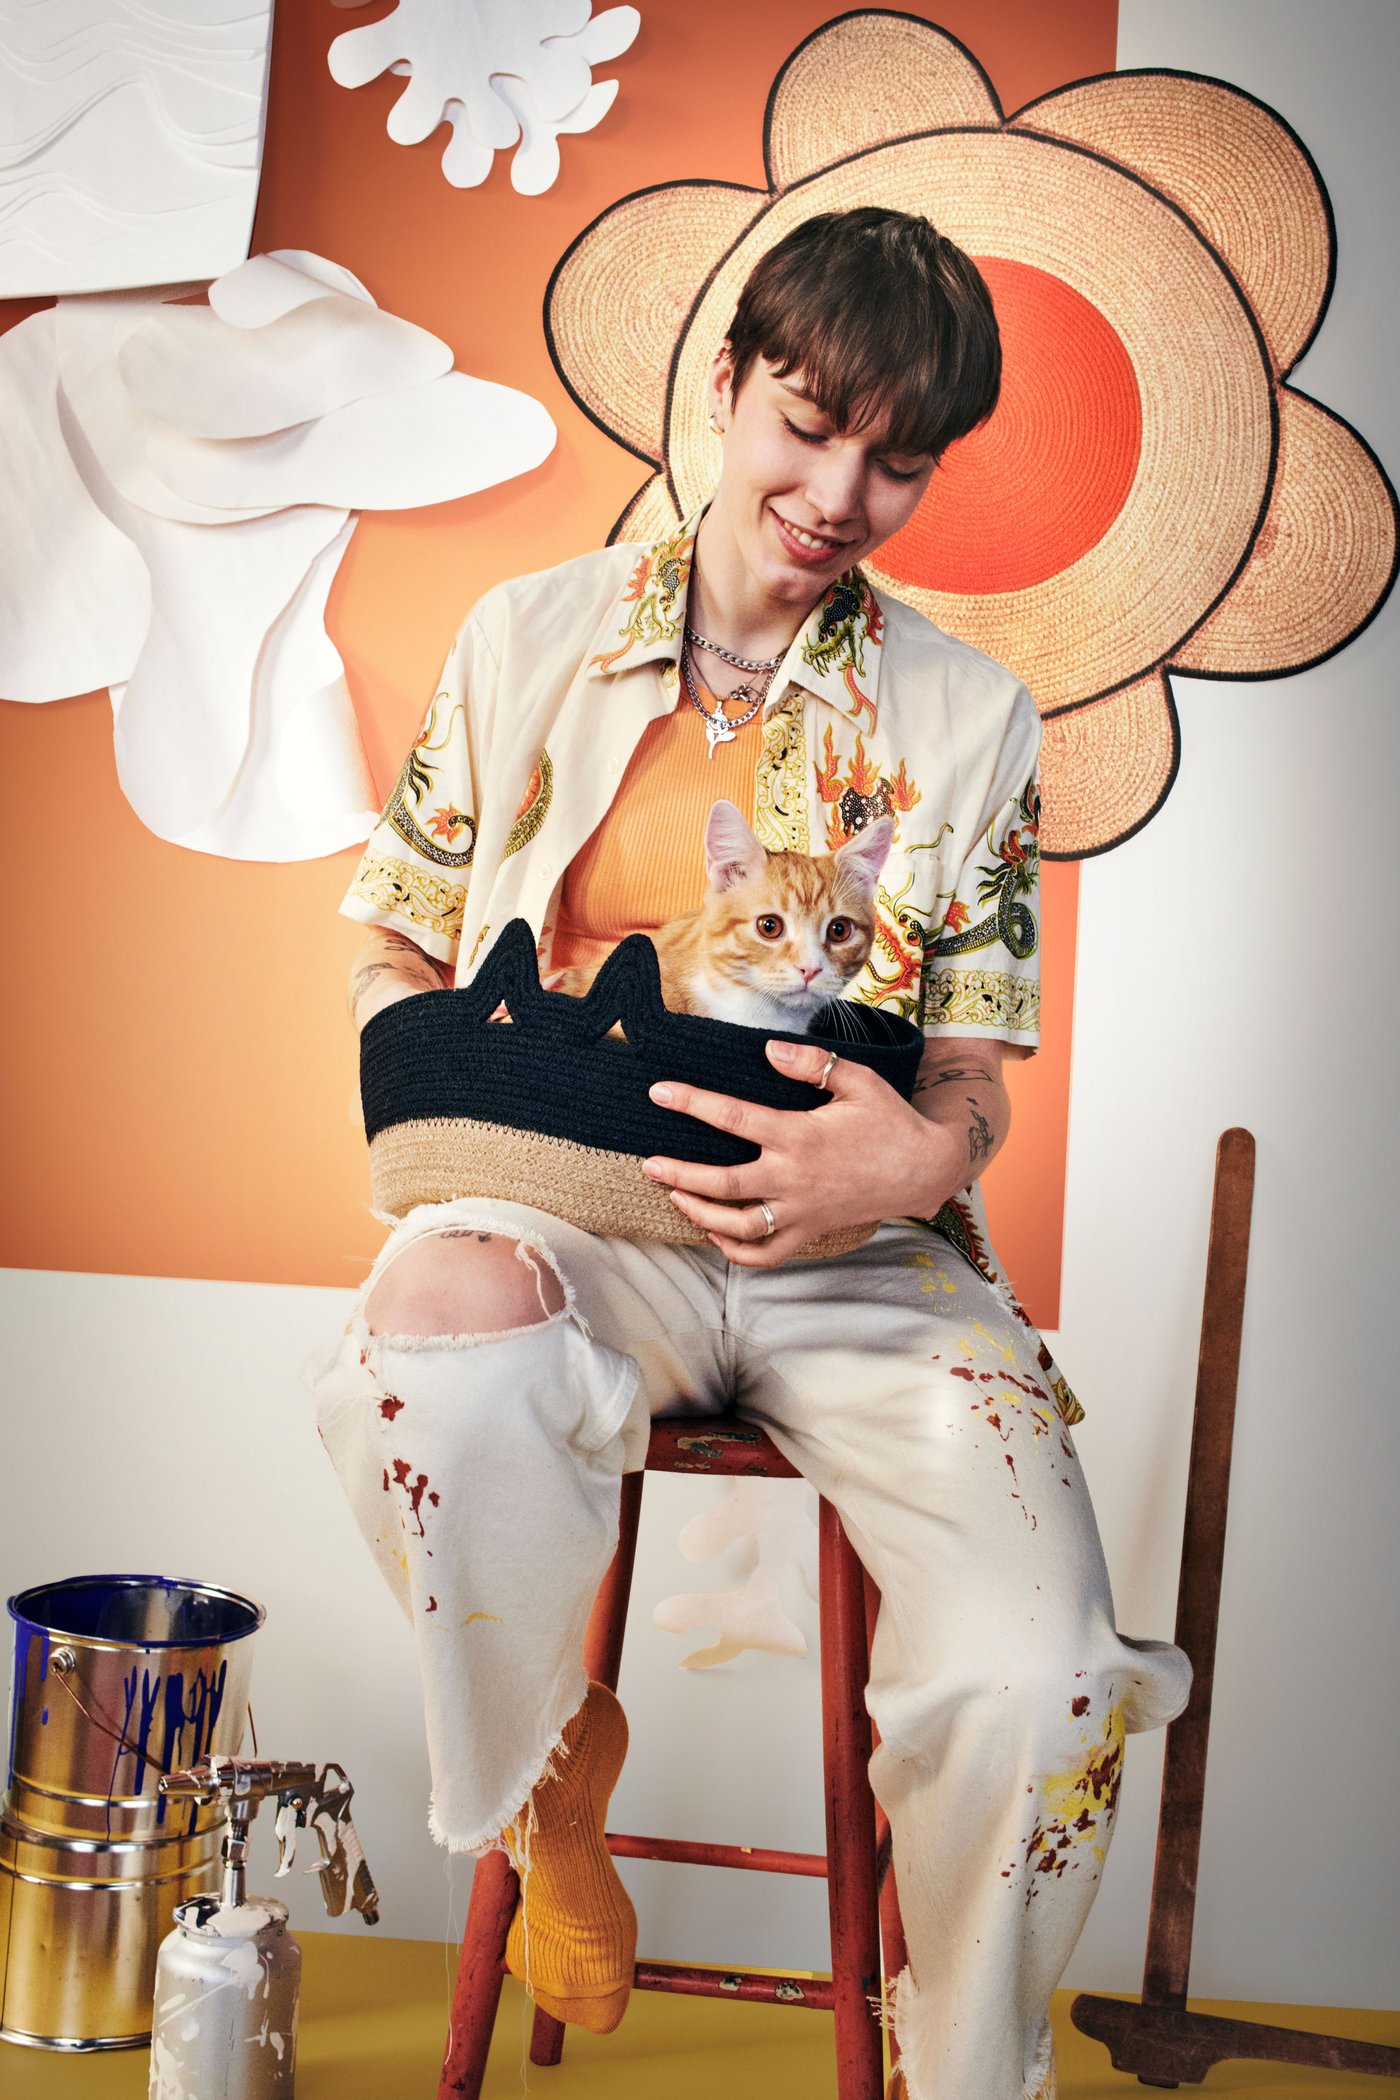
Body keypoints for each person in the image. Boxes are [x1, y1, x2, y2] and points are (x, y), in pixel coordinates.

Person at [307, 208, 1191, 2100]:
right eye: (809, 425)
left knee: (1052, 1682)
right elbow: (393, 931)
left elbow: (976, 1076)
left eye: (900, 458)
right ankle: (553, 1798)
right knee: (420, 1336)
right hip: (579, 1214)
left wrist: (905, 1165)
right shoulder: (523, 635)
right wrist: (438, 1073)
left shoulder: (975, 716)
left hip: (871, 1260)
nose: (842, 491)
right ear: (726, 387)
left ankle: (964, 2073)